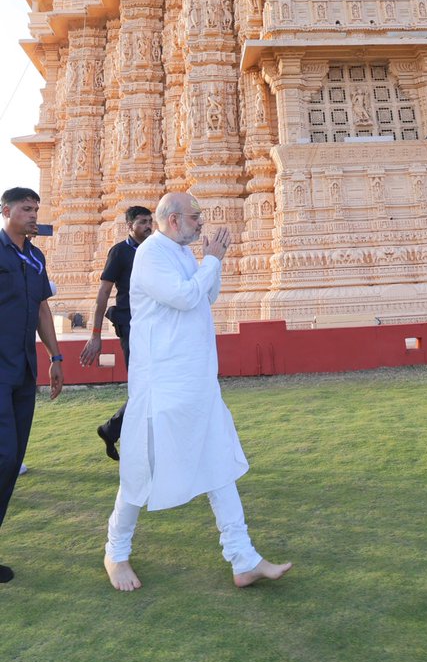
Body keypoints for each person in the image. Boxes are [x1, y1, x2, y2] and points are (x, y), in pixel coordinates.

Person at [103, 191, 291, 592]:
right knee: (141, 471)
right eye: (195, 217)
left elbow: (206, 296)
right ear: (173, 220)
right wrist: (213, 261)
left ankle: (243, 558)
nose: (201, 223)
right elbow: (186, 296)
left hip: (197, 381)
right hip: (163, 384)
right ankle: (115, 552)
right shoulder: (152, 255)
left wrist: (211, 265)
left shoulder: (182, 253)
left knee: (217, 463)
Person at [0, 187, 64, 583]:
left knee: (13, 457)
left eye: (36, 209)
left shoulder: (36, 258)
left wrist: (55, 358)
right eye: (26, 208)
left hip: (23, 370)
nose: (32, 214)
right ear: (5, 211)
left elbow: (42, 308)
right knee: (5, 455)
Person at [80, 206, 153, 459]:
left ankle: (112, 430)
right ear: (129, 226)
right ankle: (118, 432)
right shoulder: (120, 252)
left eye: (150, 221)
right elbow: (103, 294)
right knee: (144, 385)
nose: (148, 226)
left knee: (154, 383)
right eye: (142, 222)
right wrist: (96, 334)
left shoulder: (154, 249)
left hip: (153, 325)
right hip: (131, 325)